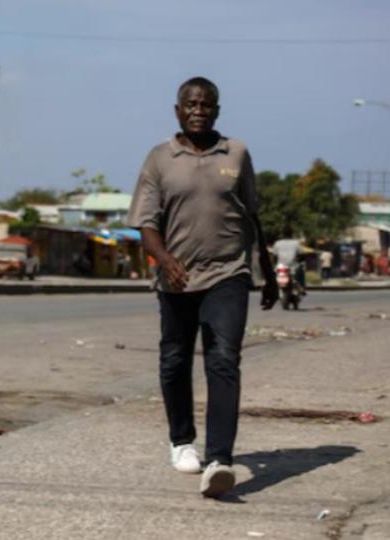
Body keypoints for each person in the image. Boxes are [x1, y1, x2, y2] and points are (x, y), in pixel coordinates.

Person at [128, 77, 277, 498]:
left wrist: (264, 269)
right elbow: (146, 223)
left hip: (229, 272)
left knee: (223, 359)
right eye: (191, 104)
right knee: (175, 360)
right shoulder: (159, 158)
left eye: (206, 104)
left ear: (217, 110)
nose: (198, 110)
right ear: (178, 110)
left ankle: (220, 460)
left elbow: (253, 214)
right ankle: (180, 441)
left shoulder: (237, 154)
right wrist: (166, 259)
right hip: (176, 277)